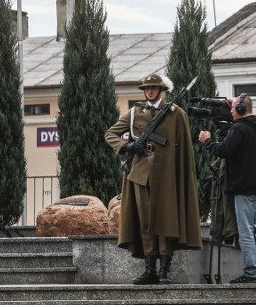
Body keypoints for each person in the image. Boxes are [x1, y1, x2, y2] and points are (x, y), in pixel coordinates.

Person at [104, 73, 202, 284]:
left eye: (153, 88)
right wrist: (127, 146)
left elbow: (183, 149)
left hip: (167, 174)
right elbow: (110, 134)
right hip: (141, 174)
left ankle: (165, 269)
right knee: (146, 221)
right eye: (146, 88)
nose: (149, 91)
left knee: (166, 220)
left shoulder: (176, 114)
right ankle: (150, 270)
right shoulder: (134, 112)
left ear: (161, 90)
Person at [199, 93, 256, 284]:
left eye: (233, 107)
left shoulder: (239, 129)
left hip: (244, 190)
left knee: (246, 232)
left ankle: (251, 273)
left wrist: (207, 140)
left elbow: (222, 150)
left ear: (241, 109)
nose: (230, 110)